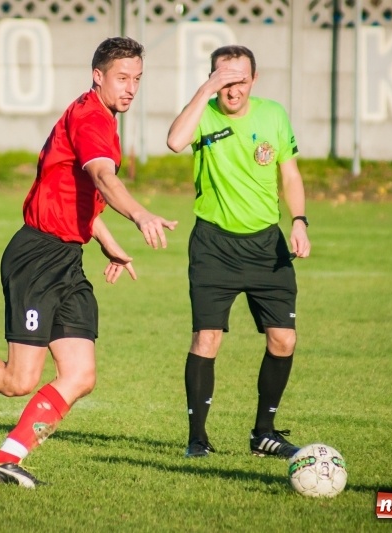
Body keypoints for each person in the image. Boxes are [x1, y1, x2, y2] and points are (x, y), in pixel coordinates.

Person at [0, 36, 177, 488]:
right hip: (37, 256)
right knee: (19, 378)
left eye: (137, 79)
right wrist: (138, 214)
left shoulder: (99, 116)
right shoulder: (90, 119)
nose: (131, 88)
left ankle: (6, 461)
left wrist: (106, 239)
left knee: (80, 375)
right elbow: (102, 178)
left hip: (66, 258)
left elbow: (75, 193)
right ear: (97, 76)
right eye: (122, 78)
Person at [166, 45, 310, 459]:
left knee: (284, 339)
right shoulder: (203, 113)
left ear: (255, 79)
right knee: (206, 338)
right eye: (225, 80)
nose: (233, 90)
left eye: (241, 80)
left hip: (267, 246)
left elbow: (291, 173)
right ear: (213, 79)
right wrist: (203, 92)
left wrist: (299, 221)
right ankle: (197, 439)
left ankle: (264, 434)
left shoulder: (273, 115)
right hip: (214, 246)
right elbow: (175, 141)